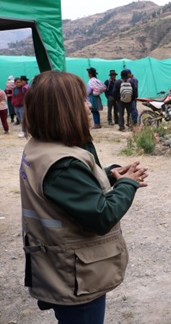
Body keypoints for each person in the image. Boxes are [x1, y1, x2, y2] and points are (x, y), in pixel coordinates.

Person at [19, 70, 148, 324]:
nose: (89, 105)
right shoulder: (62, 163)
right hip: (74, 276)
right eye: (83, 100)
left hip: (60, 266)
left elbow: (74, 190)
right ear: (64, 109)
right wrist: (128, 184)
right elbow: (102, 215)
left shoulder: (44, 147)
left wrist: (110, 175)